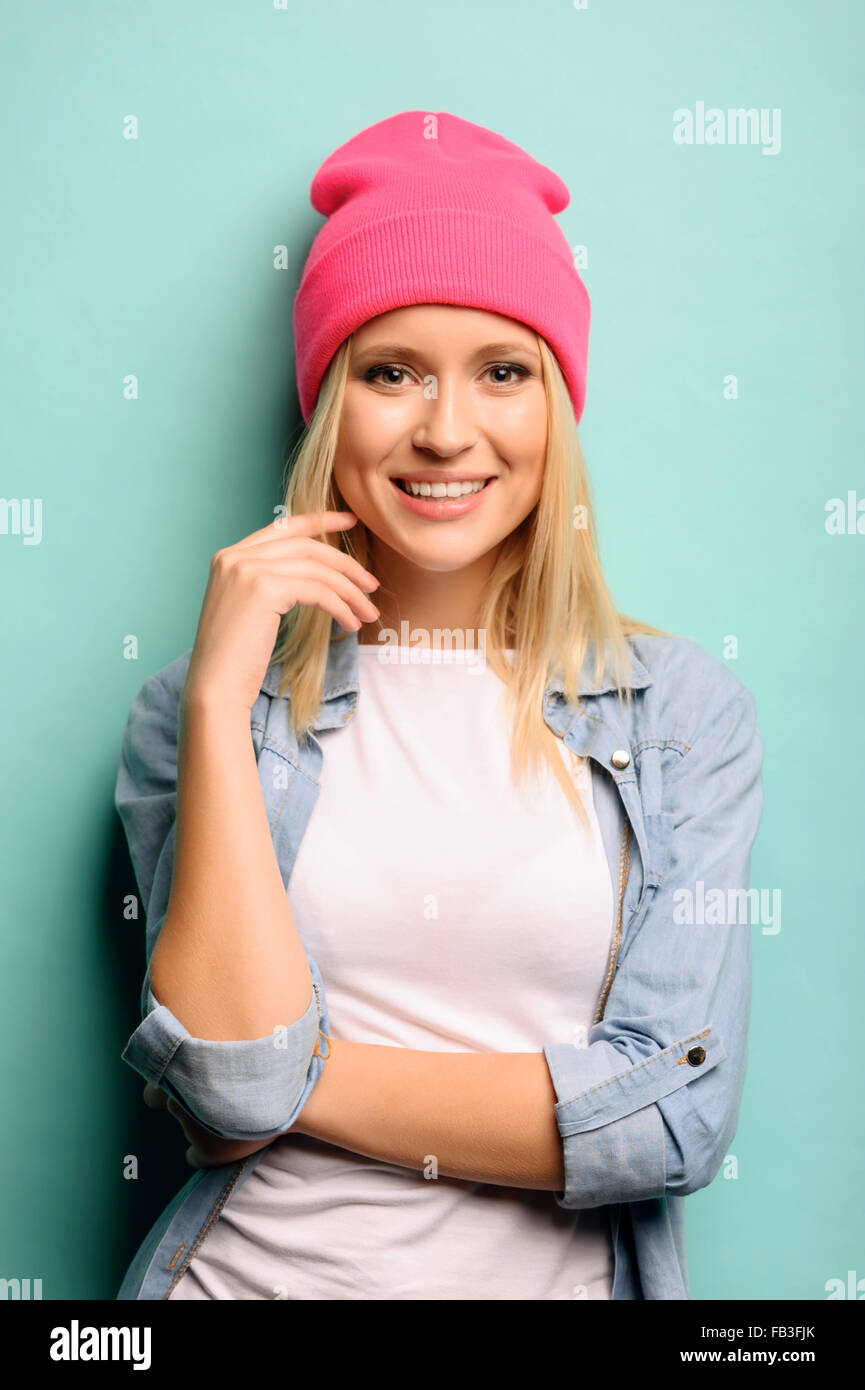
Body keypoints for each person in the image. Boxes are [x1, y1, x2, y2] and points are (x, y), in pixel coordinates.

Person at [114, 110, 765, 1301]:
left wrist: (290, 1079)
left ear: (555, 409)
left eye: (502, 372)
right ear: (329, 402)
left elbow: (673, 1118)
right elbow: (218, 1078)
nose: (447, 428)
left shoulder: (679, 716)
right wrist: (217, 702)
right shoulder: (195, 714)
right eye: (391, 369)